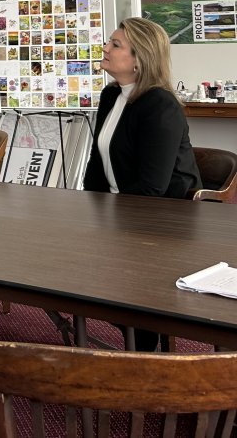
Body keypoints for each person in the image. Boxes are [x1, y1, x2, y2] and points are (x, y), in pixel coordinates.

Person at [83, 17, 200, 351]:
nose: (105, 48)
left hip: (162, 221)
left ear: (139, 59)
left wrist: (106, 218)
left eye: (115, 44)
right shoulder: (110, 96)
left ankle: (146, 348)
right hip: (122, 211)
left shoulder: (160, 105)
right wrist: (82, 207)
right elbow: (97, 162)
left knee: (120, 288)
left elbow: (153, 187)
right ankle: (138, 339)